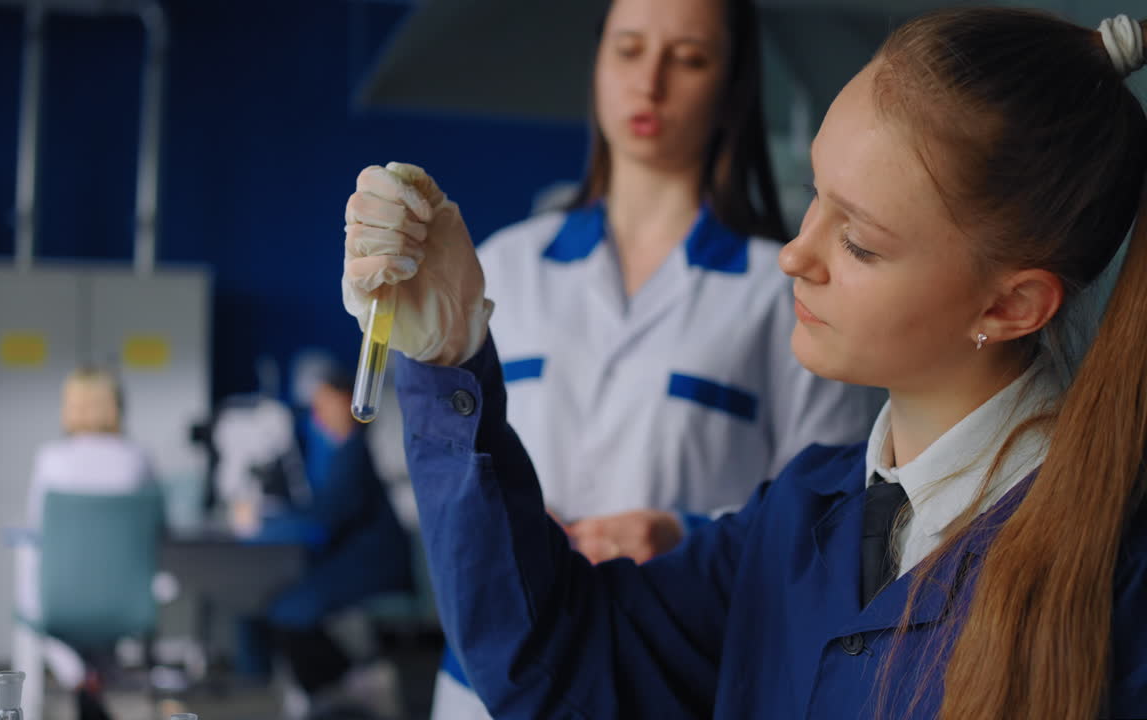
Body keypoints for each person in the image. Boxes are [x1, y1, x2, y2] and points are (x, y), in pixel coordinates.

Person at [339, 7, 1147, 718]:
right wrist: (449, 359)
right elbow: (554, 663)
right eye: (814, 195)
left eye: (860, 243)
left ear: (1010, 307)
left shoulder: (1115, 575)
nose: (795, 254)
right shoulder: (799, 517)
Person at [417, 0, 882, 714]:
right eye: (629, 50)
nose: (650, 83)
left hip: (662, 671)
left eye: (688, 59)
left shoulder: (786, 290)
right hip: (485, 683)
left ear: (732, 86)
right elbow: (429, 464)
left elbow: (827, 516)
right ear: (597, 63)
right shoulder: (504, 267)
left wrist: (687, 536)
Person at [247, 368, 411, 719]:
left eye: (324, 405)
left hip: (373, 567)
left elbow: (325, 518)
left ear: (346, 402)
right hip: (360, 561)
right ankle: (338, 685)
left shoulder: (353, 453)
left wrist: (264, 521)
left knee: (287, 609)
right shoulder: (346, 452)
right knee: (283, 603)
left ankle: (345, 684)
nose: (318, 415)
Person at [16, 367, 157, 720]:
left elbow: (36, 529)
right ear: (115, 406)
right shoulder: (137, 459)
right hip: (124, 600)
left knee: (37, 596)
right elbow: (160, 526)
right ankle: (96, 678)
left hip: (62, 601)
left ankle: (80, 678)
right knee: (100, 621)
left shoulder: (50, 459)